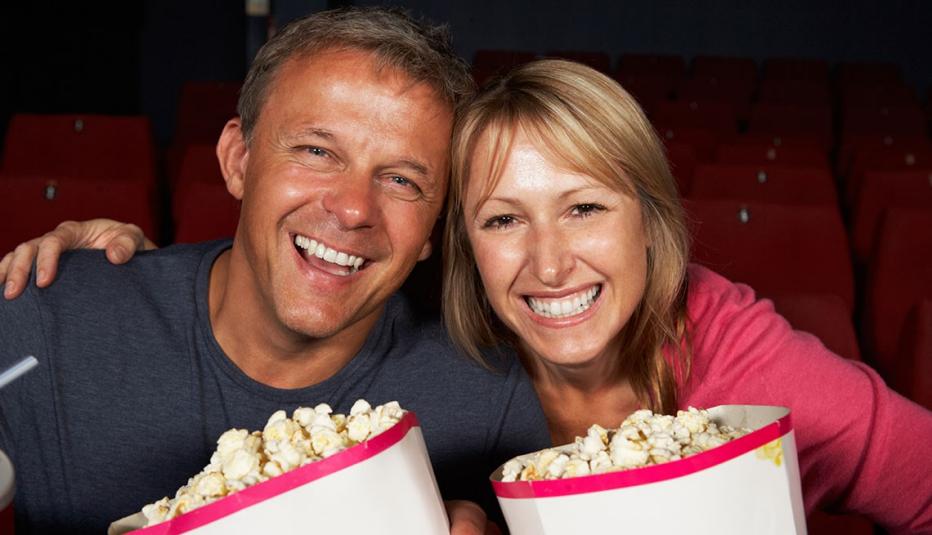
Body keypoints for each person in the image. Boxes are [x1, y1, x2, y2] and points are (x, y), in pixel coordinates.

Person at [13, 59, 932, 533]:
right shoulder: (438, 352)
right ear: (458, 245)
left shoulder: (730, 353)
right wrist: (116, 275)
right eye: (501, 221)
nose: (548, 263)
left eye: (584, 208)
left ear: (650, 219)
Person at [0, 8, 551, 534]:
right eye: (317, 151)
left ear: (433, 227)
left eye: (403, 181)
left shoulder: (488, 400)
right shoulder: (52, 319)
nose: (354, 208)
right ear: (238, 160)